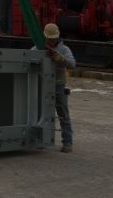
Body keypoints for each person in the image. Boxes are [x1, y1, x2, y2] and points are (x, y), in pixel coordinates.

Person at [38, 22, 76, 152]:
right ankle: (41, 140)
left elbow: (72, 64)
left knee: (63, 115)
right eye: (49, 39)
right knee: (41, 114)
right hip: (43, 85)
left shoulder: (64, 50)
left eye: (53, 39)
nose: (51, 41)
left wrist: (61, 58)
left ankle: (68, 143)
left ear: (57, 37)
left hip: (58, 86)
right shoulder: (39, 47)